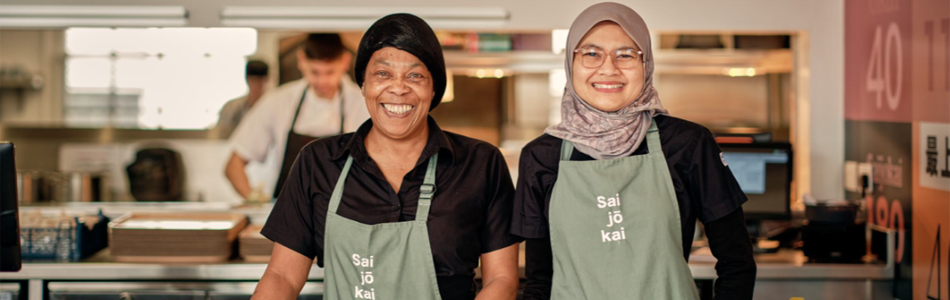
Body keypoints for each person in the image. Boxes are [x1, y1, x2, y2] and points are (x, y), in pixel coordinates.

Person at [251, 14, 521, 300]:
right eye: (383, 74)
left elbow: (501, 279)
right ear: (364, 84)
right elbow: (283, 276)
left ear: (433, 88)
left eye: (415, 75)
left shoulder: (480, 163)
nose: (398, 88)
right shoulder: (318, 162)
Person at [512, 3, 757, 299]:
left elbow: (737, 263)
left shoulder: (688, 144)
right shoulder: (540, 157)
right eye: (591, 54)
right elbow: (539, 280)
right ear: (570, 63)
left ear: (646, 64)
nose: (608, 68)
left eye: (626, 55)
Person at [226, 34, 370, 200]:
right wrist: (254, 202)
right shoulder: (278, 101)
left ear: (345, 62)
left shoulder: (363, 104)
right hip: (289, 215)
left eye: (330, 72)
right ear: (301, 60)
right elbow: (234, 164)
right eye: (315, 72)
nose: (322, 81)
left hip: (344, 215)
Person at [216, 60, 269, 139]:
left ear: (266, 80)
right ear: (247, 80)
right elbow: (222, 135)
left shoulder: (271, 107)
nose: (257, 85)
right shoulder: (231, 108)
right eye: (253, 80)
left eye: (260, 80)